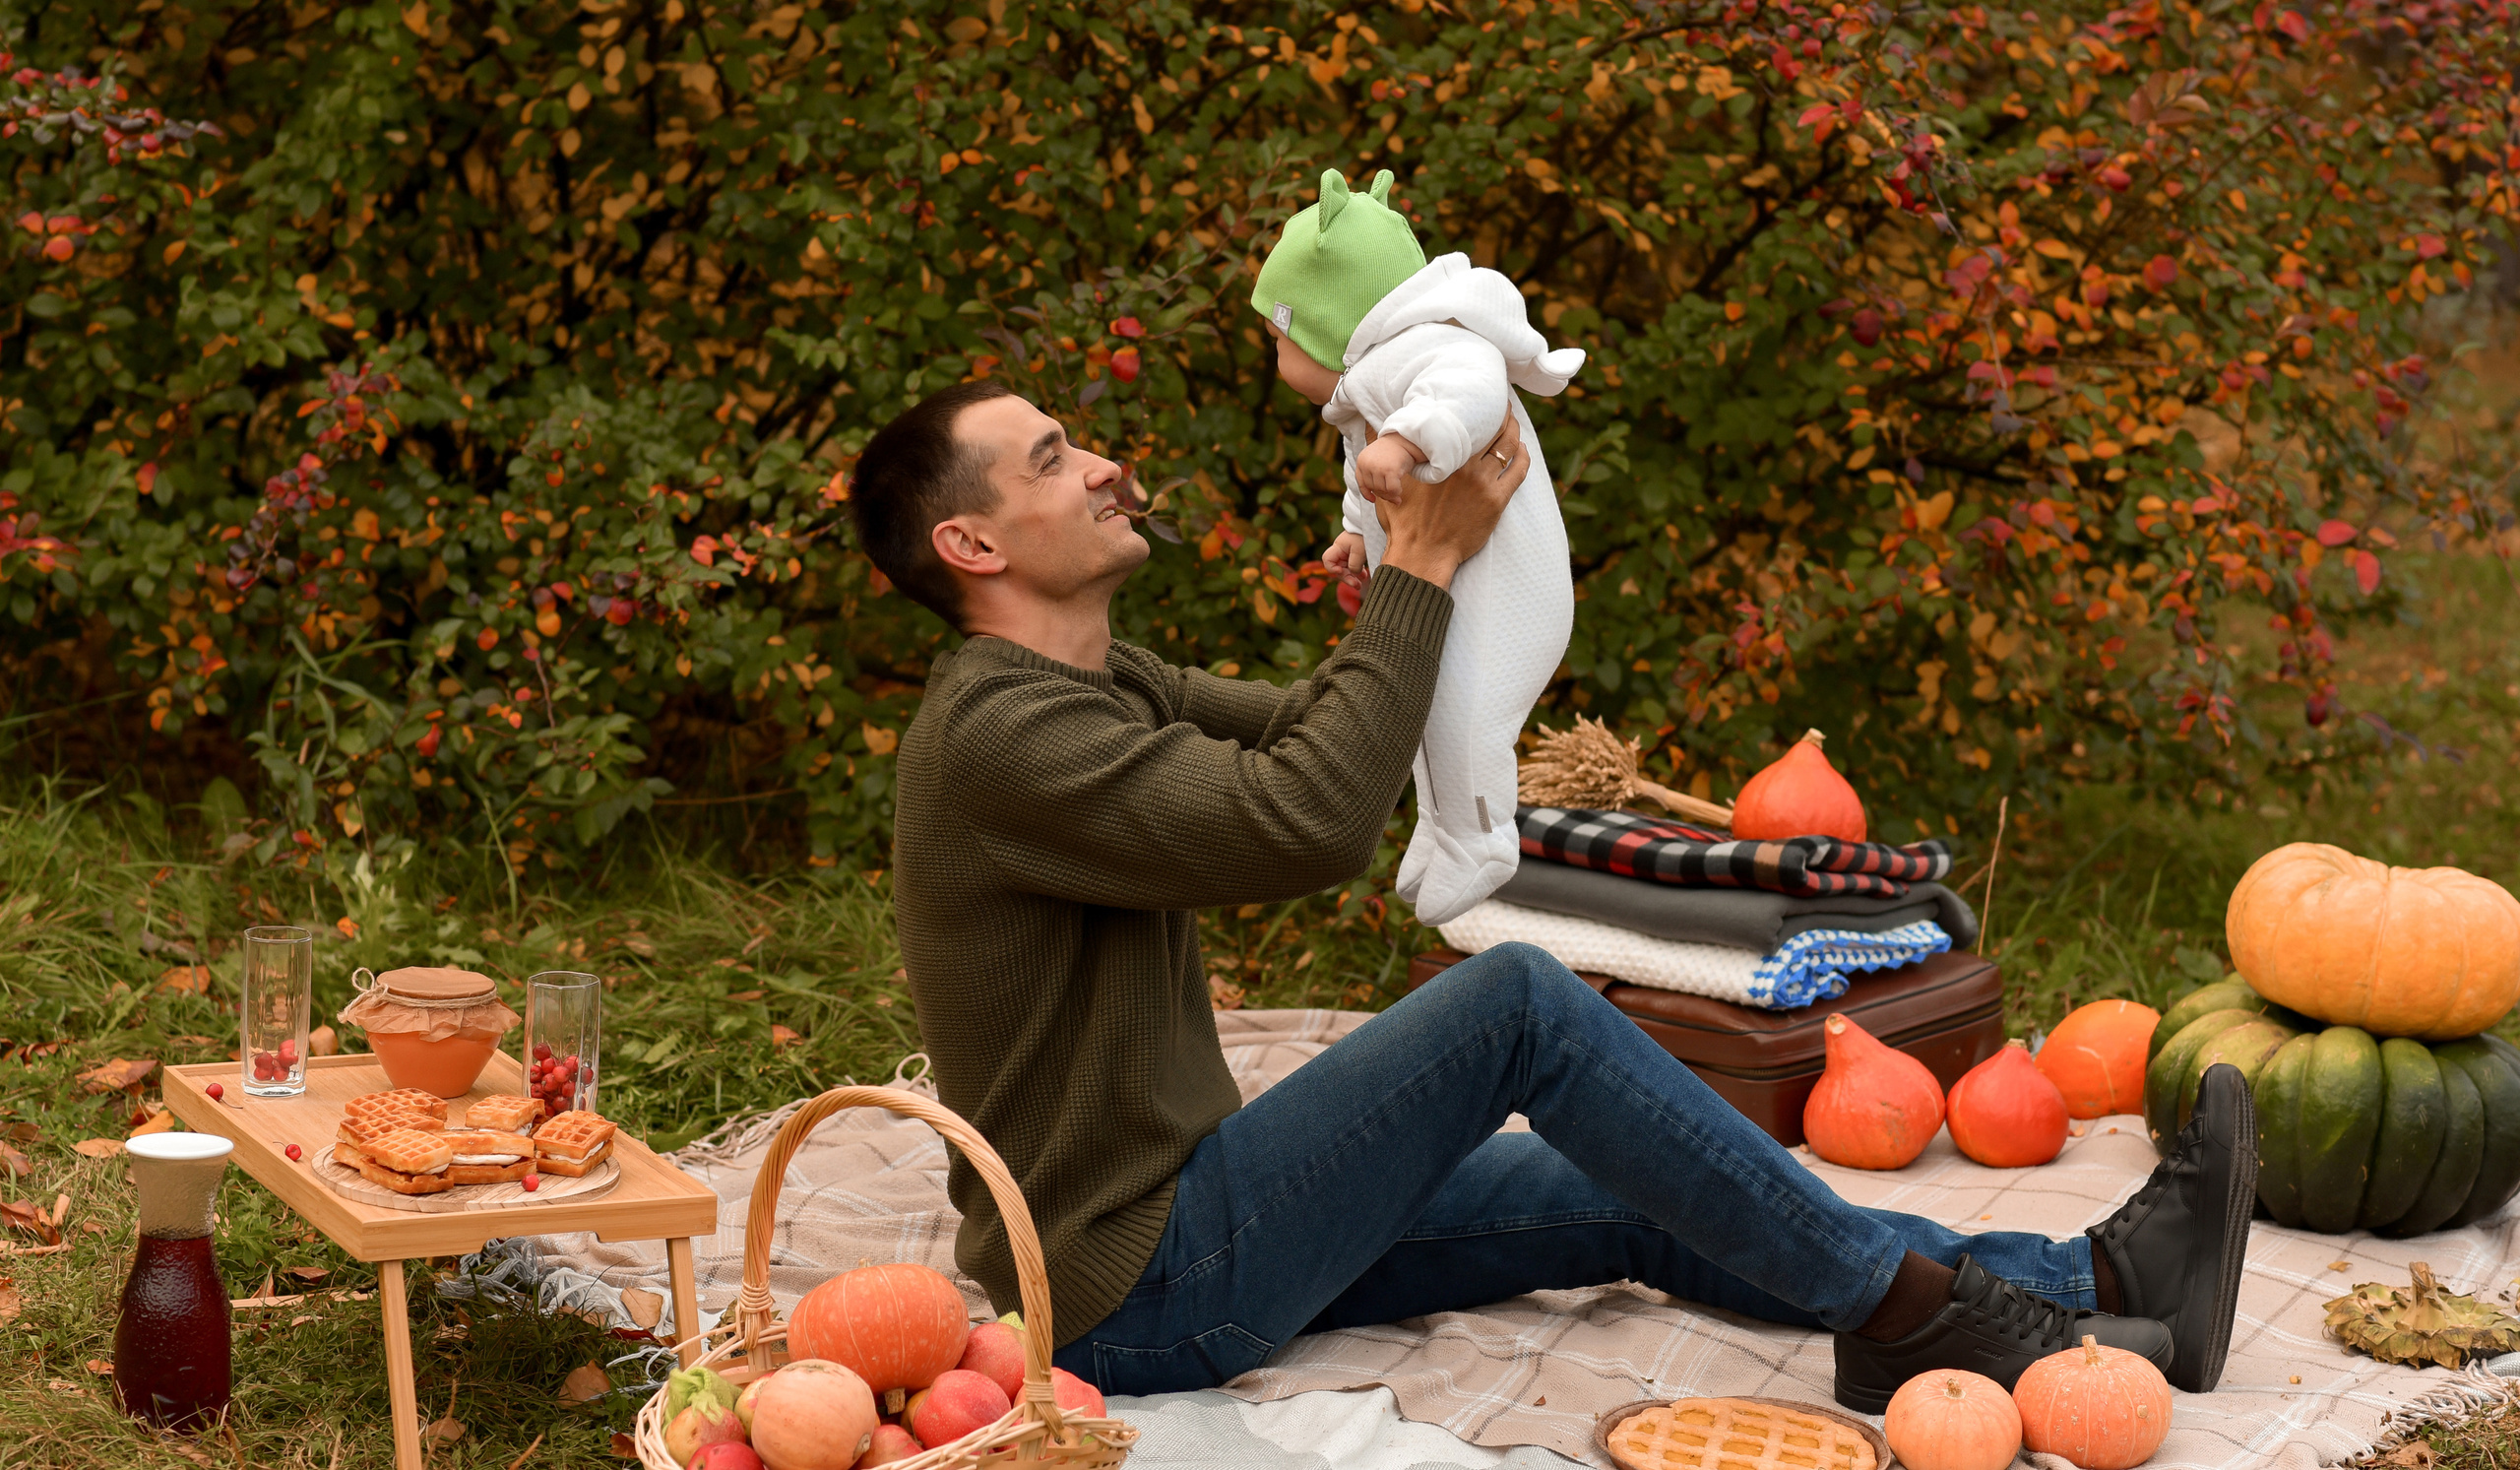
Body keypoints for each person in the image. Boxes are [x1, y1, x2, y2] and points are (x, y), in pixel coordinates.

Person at [850, 373, 2256, 1412]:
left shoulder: (1100, 680)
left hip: (1207, 1206)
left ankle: (2093, 1287)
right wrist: (1422, 561)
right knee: (1514, 1000)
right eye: (1054, 459)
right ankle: (1908, 1316)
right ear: (974, 544)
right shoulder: (999, 737)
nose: (1104, 464)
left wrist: (1400, 556)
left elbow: (1332, 734)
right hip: (1130, 1289)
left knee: (1648, 1170)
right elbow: (1309, 817)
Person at [1252, 166, 1583, 927]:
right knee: (1426, 705)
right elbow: (1360, 464)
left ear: (1326, 322)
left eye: (1277, 338)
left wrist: (1408, 441)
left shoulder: (1427, 348)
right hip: (1460, 588)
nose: (1276, 356)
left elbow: (1472, 387)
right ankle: (1443, 826)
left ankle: (1483, 836)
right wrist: (1355, 526)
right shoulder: (1371, 381)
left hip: (1507, 594)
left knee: (1466, 714)